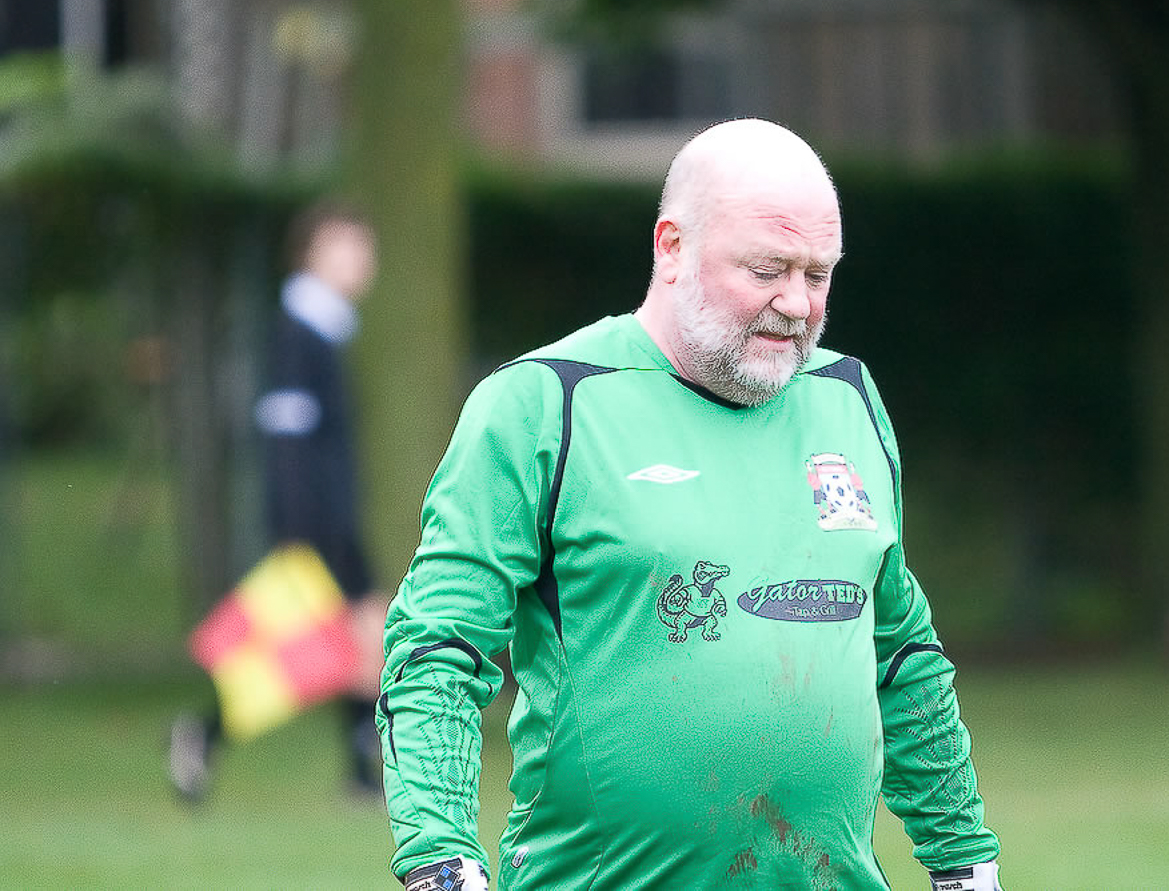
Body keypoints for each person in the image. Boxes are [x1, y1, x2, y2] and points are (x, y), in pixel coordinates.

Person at [379, 119, 1003, 890]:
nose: (797, 303)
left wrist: (963, 858)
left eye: (818, 275)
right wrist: (440, 861)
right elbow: (436, 649)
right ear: (671, 247)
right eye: (767, 269)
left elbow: (899, 649)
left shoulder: (848, 397)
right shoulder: (544, 403)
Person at [169, 200, 387, 801]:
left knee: (360, 637)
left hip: (332, 517)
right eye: (346, 245)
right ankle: (205, 734)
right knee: (315, 649)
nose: (361, 260)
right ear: (310, 254)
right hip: (315, 523)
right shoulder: (298, 334)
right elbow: (287, 443)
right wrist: (298, 530)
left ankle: (358, 773)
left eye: (364, 247)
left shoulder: (325, 330)